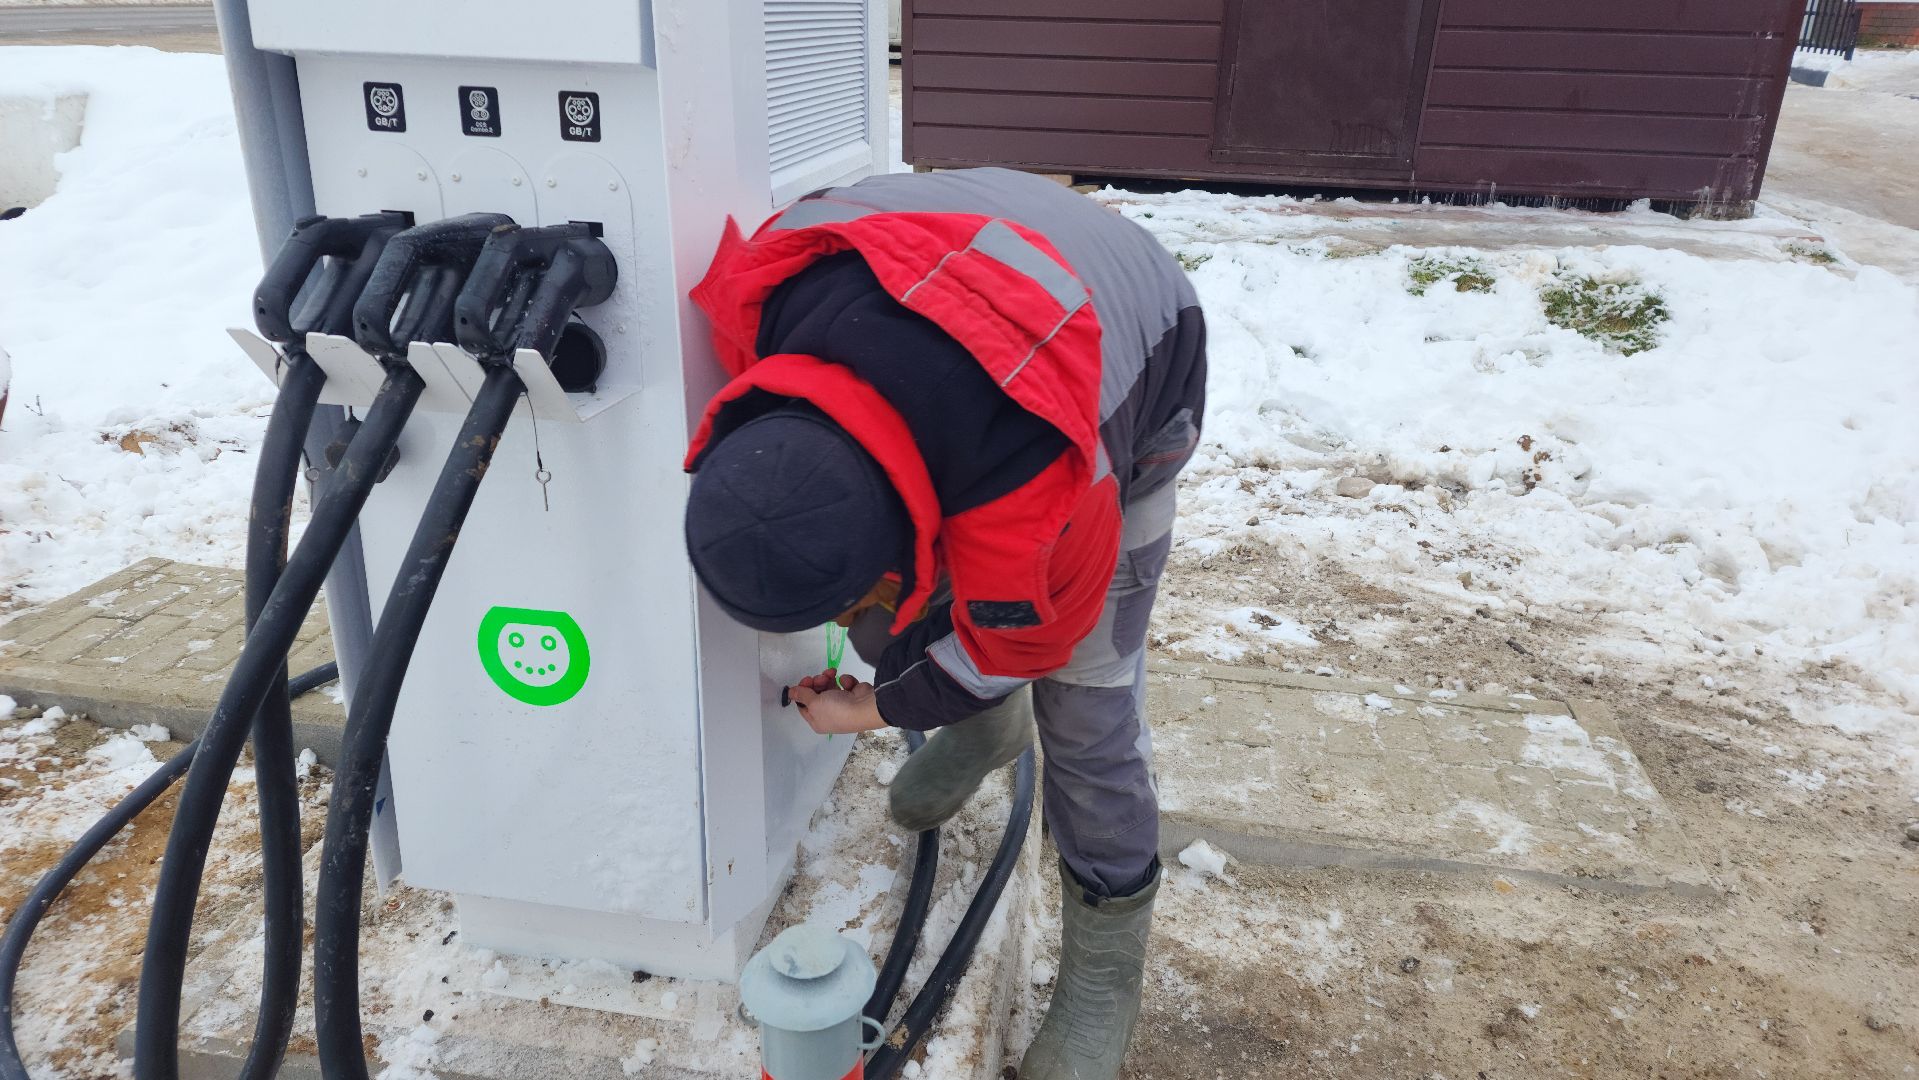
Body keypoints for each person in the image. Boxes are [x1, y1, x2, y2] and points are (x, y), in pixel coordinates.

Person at [682, 167, 1204, 1079]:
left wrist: (871, 709)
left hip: (1136, 350)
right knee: (911, 604)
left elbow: (1025, 640)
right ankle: (982, 725)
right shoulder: (751, 339)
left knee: (1085, 709)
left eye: (853, 600)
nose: (848, 621)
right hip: (936, 254)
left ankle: (1104, 961)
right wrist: (892, 651)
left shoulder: (1039, 480)